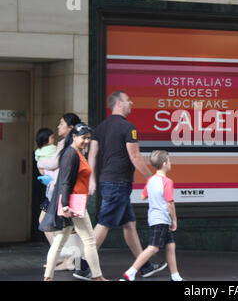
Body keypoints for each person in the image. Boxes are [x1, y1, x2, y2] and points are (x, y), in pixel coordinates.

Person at [87, 91, 166, 280]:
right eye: (128, 100)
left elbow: (92, 155)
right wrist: (152, 177)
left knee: (129, 224)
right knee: (104, 223)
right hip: (118, 183)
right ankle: (83, 264)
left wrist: (91, 179)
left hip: (108, 181)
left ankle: (144, 265)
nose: (132, 102)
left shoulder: (100, 127)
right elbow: (135, 157)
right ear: (119, 103)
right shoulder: (128, 127)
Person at [39, 123, 108, 281]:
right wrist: (65, 205)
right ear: (74, 137)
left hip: (73, 203)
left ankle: (48, 277)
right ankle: (98, 277)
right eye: (84, 138)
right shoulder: (72, 154)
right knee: (89, 240)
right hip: (73, 204)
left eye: (89, 138)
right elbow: (65, 182)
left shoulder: (75, 153)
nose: (86, 141)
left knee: (59, 241)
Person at [120, 150, 183, 281]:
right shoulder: (167, 182)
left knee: (170, 245)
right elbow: (170, 203)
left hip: (154, 217)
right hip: (162, 219)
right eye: (169, 161)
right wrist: (174, 220)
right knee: (153, 248)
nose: (170, 163)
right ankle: (130, 273)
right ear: (165, 164)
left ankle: (175, 276)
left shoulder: (151, 180)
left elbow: (143, 196)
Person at [36, 114, 85, 272]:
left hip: (61, 190)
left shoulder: (67, 142)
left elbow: (55, 162)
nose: (58, 126)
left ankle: (66, 258)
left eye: (61, 123)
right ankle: (68, 259)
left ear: (70, 127)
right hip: (63, 189)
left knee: (57, 225)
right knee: (69, 228)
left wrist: (39, 162)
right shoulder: (72, 142)